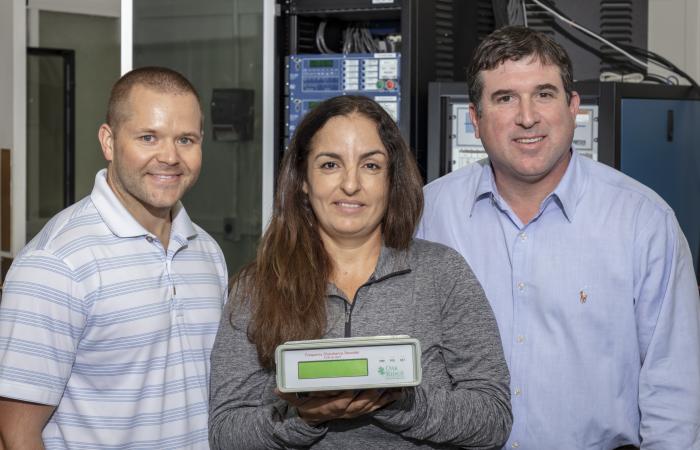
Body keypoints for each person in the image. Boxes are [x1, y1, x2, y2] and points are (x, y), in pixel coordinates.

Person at [417, 26, 700, 449]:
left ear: (573, 108)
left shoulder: (644, 222)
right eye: (505, 97)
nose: (527, 116)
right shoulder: (428, 216)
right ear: (475, 120)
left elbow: (673, 396)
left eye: (544, 94)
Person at [208, 95, 512, 449]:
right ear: (303, 180)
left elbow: (493, 418)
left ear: (391, 179)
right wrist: (303, 418)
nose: (350, 184)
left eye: (370, 166)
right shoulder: (257, 286)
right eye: (329, 165)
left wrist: (402, 404)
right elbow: (226, 431)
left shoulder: (442, 274)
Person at [0, 67, 228, 448]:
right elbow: (16, 433)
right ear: (108, 141)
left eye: (186, 139)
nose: (170, 157)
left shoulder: (206, 253)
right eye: (148, 137)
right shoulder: (57, 263)